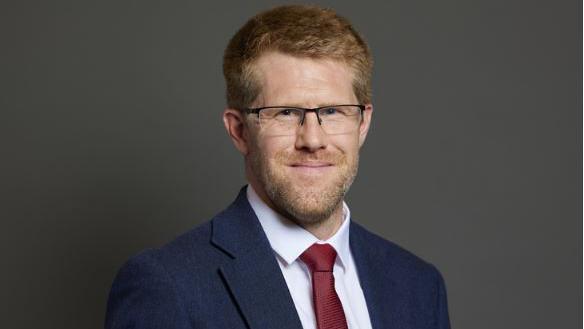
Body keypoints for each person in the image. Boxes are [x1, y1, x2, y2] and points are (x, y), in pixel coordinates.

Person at [105, 5, 451, 329]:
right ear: (239, 131)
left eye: (333, 111)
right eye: (286, 112)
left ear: (362, 124)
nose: (313, 140)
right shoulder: (168, 286)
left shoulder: (418, 286)